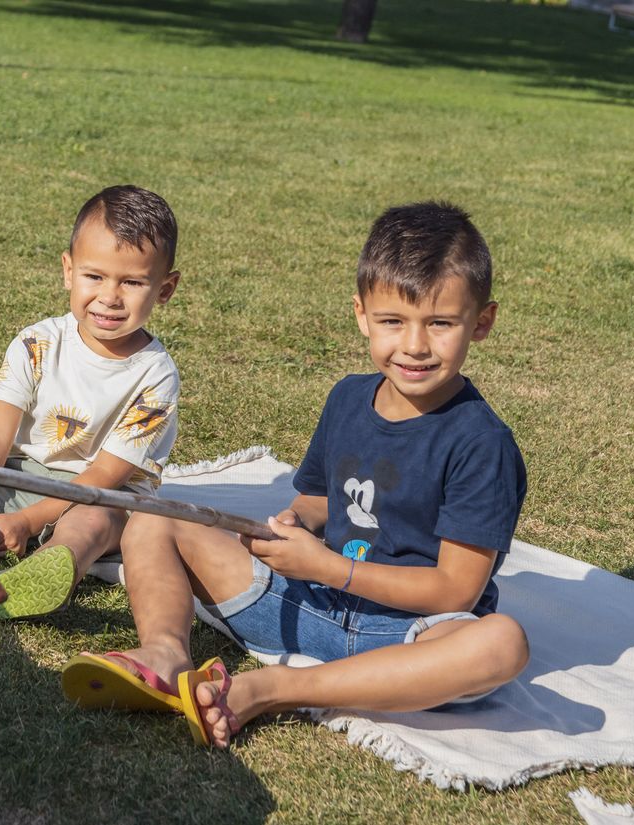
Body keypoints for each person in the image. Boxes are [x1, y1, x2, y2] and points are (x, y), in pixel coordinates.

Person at [64, 202, 529, 747]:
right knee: (153, 521)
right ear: (362, 315)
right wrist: (288, 525)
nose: (415, 345)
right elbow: (319, 502)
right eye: (392, 321)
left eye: (441, 323)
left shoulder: (482, 444)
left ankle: (274, 688)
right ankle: (166, 655)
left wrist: (331, 568)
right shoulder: (349, 399)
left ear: (483, 322)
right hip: (304, 606)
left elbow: (456, 589)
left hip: (407, 640)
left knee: (501, 644)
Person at [0, 185, 182, 620]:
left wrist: (26, 523)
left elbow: (104, 475)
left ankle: (47, 571)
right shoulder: (38, 343)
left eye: (133, 282)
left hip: (97, 496)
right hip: (17, 477)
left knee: (91, 524)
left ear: (165, 288)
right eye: (94, 276)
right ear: (68, 270)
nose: (110, 296)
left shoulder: (156, 375)